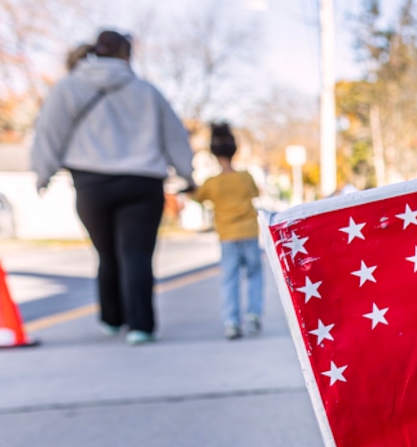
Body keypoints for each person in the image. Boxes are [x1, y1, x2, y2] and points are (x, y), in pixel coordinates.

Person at [31, 30, 194, 345]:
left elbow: (49, 133)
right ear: (126, 54)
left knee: (106, 253)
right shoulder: (147, 91)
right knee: (137, 254)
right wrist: (187, 173)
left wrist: (43, 173)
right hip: (142, 182)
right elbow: (175, 136)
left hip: (92, 183)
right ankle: (141, 326)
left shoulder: (68, 87)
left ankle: (111, 318)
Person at [189, 123, 263, 339]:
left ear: (213, 152)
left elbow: (198, 197)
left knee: (229, 279)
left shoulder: (212, 182)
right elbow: (255, 193)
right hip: (249, 232)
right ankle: (253, 316)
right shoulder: (246, 177)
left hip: (227, 236)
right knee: (254, 275)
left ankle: (231, 322)